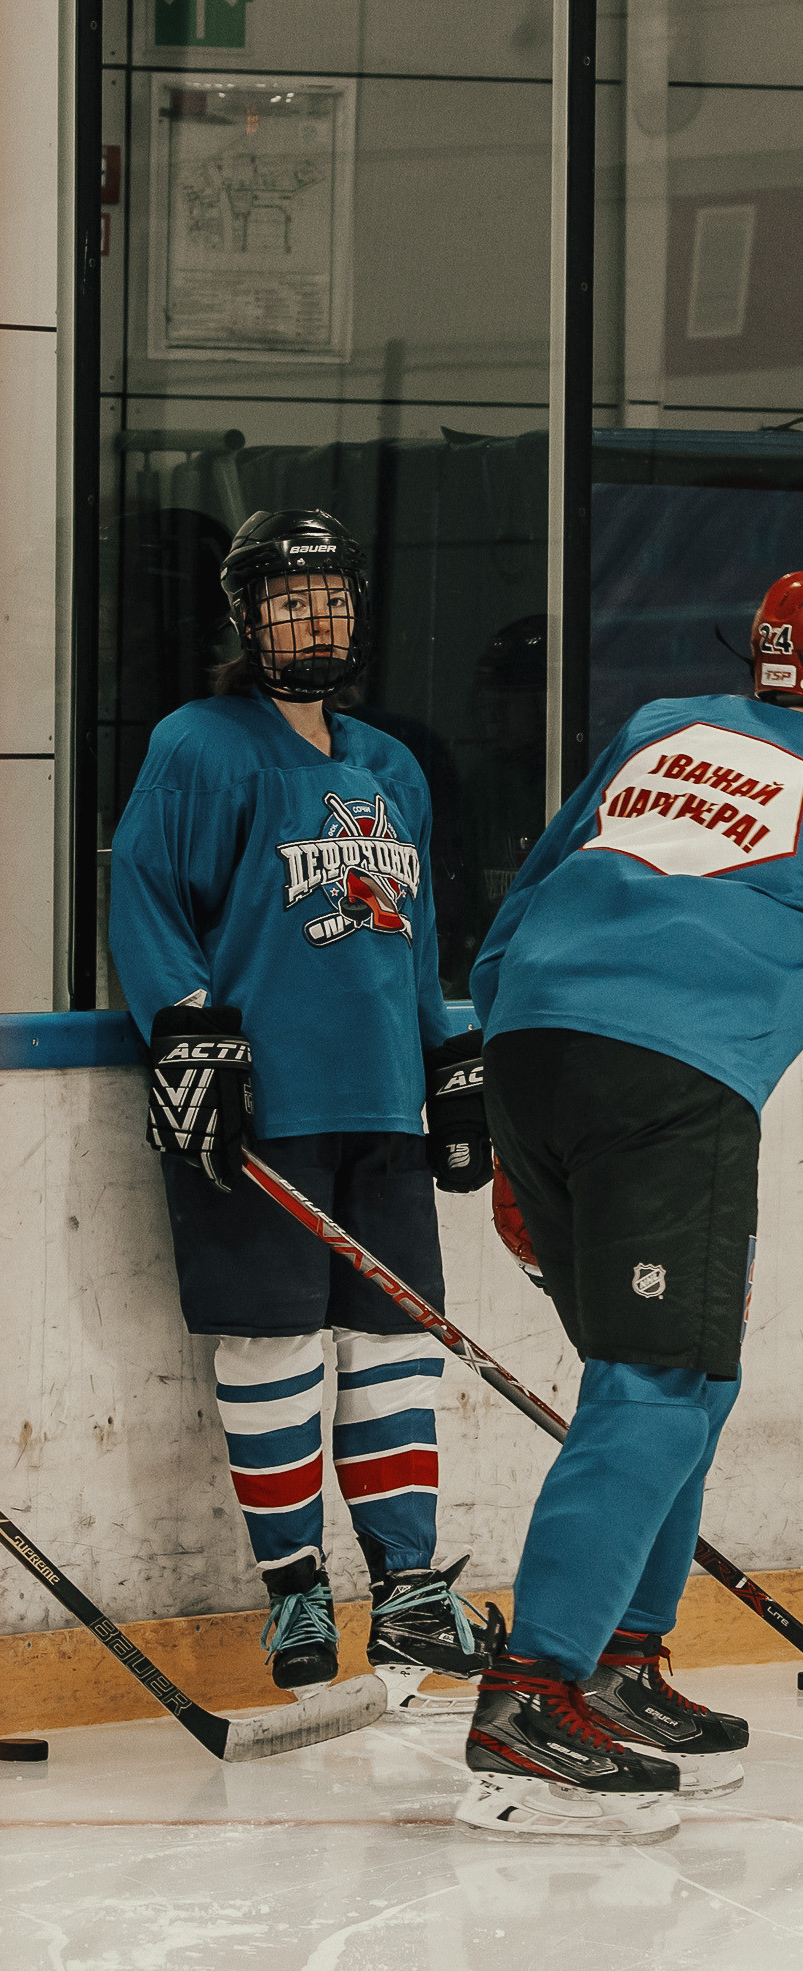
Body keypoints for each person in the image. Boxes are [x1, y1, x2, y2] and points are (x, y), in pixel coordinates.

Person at [109, 507, 493, 1703]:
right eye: (288, 600)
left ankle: (408, 1586)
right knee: (272, 1344)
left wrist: (446, 1054)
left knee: (394, 1346)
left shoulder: (390, 764)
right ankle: (291, 1588)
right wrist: (183, 1024)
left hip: (379, 1103)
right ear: (247, 617)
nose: (313, 620)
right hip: (257, 1106)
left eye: (330, 598)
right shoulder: (198, 743)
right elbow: (143, 894)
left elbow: (412, 933)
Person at [458, 569, 803, 1841]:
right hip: (673, 1075)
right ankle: (531, 1689)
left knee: (681, 1375)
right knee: (656, 1383)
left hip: (530, 1047)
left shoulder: (668, 722)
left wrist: (513, 1127)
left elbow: (523, 902)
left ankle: (620, 1660)